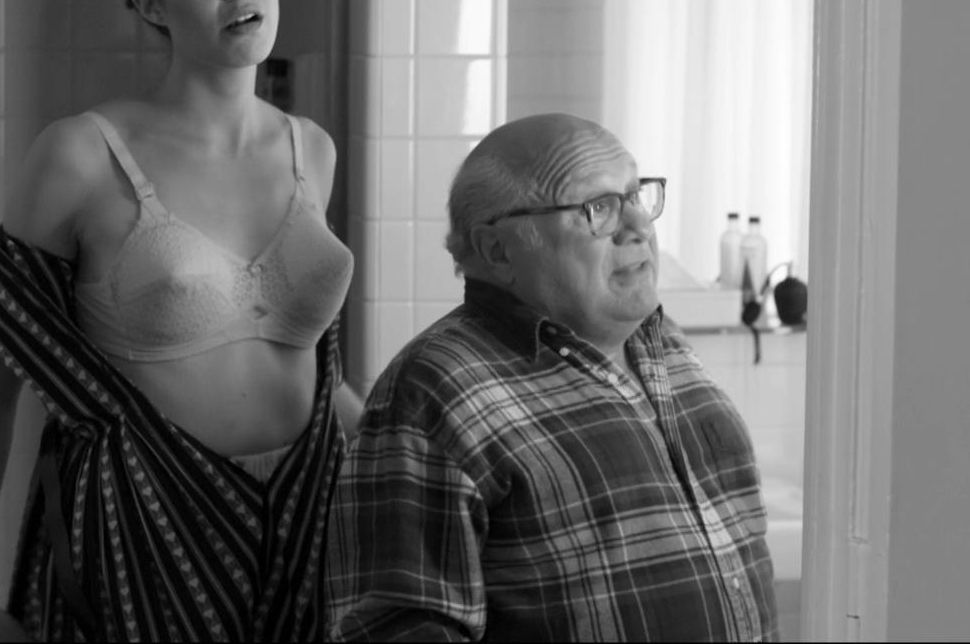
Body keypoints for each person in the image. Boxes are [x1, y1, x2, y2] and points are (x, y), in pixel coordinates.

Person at [0, 0, 357, 641]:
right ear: (148, 1)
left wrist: (408, 450)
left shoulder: (312, 149)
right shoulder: (82, 156)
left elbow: (304, 361)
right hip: (142, 535)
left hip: (311, 525)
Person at [326, 113, 780, 641]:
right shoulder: (433, 390)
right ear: (498, 250)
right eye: (599, 209)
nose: (638, 225)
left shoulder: (667, 345)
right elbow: (395, 629)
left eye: (636, 196)